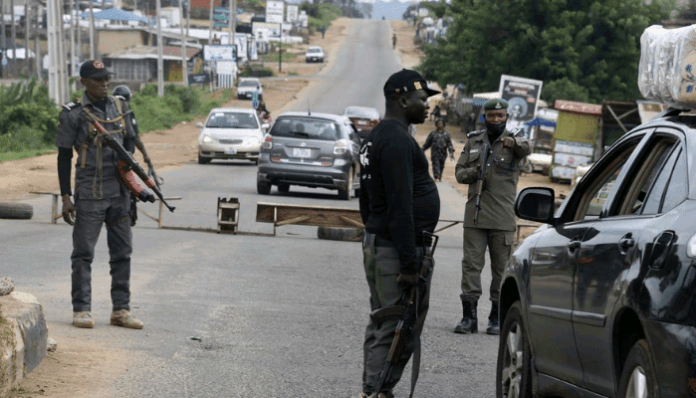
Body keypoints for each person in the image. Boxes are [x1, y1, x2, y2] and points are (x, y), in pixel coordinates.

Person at [358, 69, 441, 398]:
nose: (427, 106)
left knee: (384, 321)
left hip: (384, 244)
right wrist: (408, 263)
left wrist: (375, 232)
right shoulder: (394, 140)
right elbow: (399, 205)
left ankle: (377, 389)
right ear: (403, 99)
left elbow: (367, 200)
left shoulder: (380, 136)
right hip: (396, 250)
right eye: (423, 100)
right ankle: (375, 391)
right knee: (394, 325)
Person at [57, 60, 146, 330]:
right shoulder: (73, 114)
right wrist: (66, 197)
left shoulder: (120, 107)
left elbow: (129, 152)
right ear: (84, 82)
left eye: (106, 78)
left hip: (118, 194)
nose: (104, 83)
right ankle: (82, 309)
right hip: (90, 194)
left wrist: (133, 192)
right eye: (98, 79)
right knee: (83, 254)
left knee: (123, 254)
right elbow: (63, 156)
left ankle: (121, 310)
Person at [453, 98, 531, 335]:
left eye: (500, 115)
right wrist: (475, 172)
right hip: (475, 215)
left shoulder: (515, 141)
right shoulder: (474, 140)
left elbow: (527, 149)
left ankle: (496, 318)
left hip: (503, 218)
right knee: (471, 267)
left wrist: (513, 142)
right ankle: (469, 318)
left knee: (502, 269)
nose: (496, 119)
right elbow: (458, 173)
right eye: (492, 116)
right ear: (484, 117)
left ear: (506, 117)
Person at [112, 85, 162, 226]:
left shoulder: (108, 112)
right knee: (130, 185)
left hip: (112, 157)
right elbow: (134, 138)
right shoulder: (127, 114)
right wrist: (146, 156)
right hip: (124, 158)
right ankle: (129, 211)